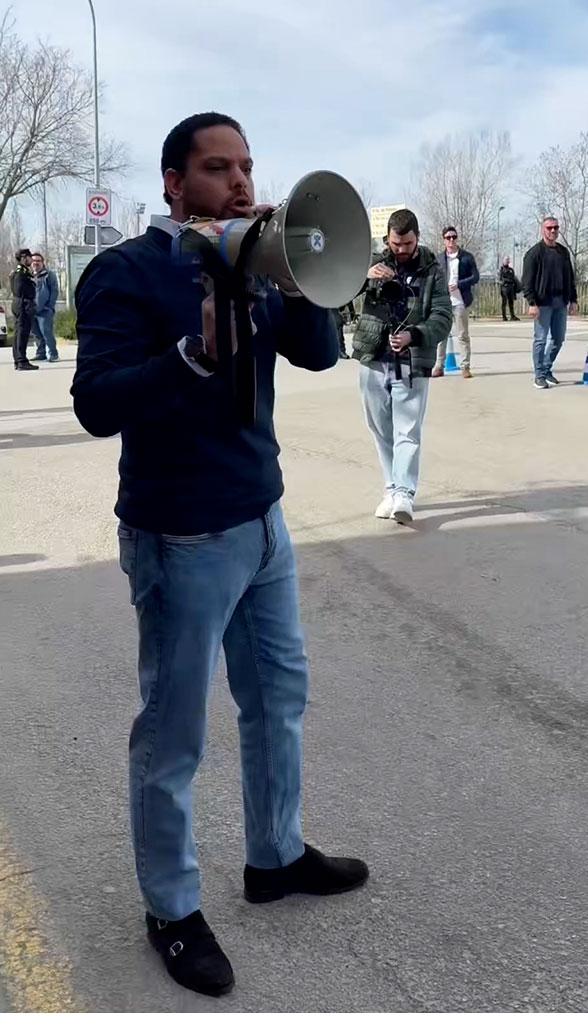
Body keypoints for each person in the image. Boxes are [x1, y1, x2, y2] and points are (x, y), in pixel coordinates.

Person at [70, 111, 366, 997]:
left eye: (245, 166)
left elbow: (317, 356)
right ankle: (171, 906)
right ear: (173, 183)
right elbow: (96, 402)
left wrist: (297, 270)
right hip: (180, 536)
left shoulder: (260, 264)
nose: (239, 182)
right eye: (216, 167)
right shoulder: (125, 273)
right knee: (174, 733)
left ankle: (274, 857)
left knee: (278, 698)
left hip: (263, 521)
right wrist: (193, 355)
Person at [351, 208, 451, 524]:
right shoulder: (371, 265)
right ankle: (391, 487)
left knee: (407, 430)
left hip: (412, 362)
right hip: (373, 358)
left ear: (417, 238)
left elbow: (443, 317)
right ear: (388, 240)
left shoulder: (433, 271)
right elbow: (339, 292)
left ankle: (405, 494)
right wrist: (364, 278)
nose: (402, 250)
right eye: (396, 244)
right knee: (381, 429)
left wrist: (414, 334)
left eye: (407, 244)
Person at [521, 215, 578, 389]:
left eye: (555, 227)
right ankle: (539, 375)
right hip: (542, 303)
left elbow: (570, 277)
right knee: (540, 339)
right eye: (549, 228)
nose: (552, 231)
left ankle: (546, 369)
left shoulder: (563, 252)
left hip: (560, 302)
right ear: (542, 230)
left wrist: (573, 300)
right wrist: (532, 302)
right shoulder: (534, 253)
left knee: (558, 339)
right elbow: (527, 281)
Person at [433, 225, 478, 378]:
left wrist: (459, 284)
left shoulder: (466, 257)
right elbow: (433, 278)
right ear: (444, 240)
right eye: (448, 237)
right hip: (444, 302)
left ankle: (465, 366)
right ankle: (439, 366)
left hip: (461, 301)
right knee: (441, 335)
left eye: (454, 237)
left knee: (463, 335)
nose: (451, 240)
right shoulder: (439, 259)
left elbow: (475, 277)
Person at [10, 248, 36, 371]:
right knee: (22, 333)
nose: (31, 260)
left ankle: (18, 360)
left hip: (18, 303)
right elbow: (22, 290)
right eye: (30, 257)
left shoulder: (18, 272)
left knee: (18, 332)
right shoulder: (21, 273)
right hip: (23, 303)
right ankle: (21, 360)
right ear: (24, 258)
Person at [30, 251, 57, 362]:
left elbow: (54, 291)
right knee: (36, 334)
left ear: (43, 262)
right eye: (34, 261)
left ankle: (53, 354)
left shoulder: (49, 275)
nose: (36, 263)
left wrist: (49, 306)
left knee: (47, 332)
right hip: (32, 310)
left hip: (45, 311)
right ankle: (41, 353)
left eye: (38, 261)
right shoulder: (29, 275)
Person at [498, 255, 519, 321]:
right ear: (503, 261)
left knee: (511, 302)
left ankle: (512, 316)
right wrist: (509, 280)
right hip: (504, 288)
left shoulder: (511, 270)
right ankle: (504, 316)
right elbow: (502, 278)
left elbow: (513, 278)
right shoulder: (501, 269)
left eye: (508, 260)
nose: (507, 261)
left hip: (511, 288)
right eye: (506, 259)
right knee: (504, 302)